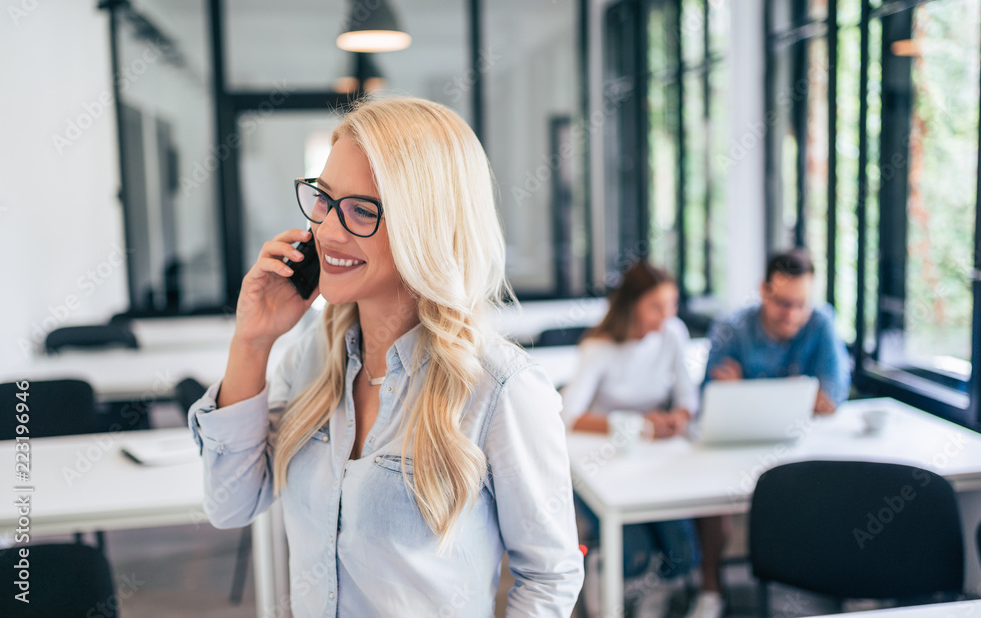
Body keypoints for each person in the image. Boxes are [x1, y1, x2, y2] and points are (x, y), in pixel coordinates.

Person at [187, 97, 584, 617]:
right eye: (324, 200)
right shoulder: (312, 357)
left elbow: (549, 577)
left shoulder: (500, 389)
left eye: (361, 210)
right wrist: (253, 342)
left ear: (427, 228)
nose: (327, 230)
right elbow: (230, 505)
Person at [685, 247, 851, 618]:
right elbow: (710, 397)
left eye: (801, 304)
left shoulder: (821, 323)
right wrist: (795, 391)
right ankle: (710, 586)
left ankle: (815, 589)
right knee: (708, 488)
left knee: (837, 486)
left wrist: (745, 387)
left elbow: (830, 397)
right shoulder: (732, 327)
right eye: (782, 303)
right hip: (734, 444)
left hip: (799, 447)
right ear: (764, 290)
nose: (792, 315)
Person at [560, 261, 700, 618]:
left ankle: (654, 598)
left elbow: (688, 397)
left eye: (672, 305)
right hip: (600, 457)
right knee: (632, 547)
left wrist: (677, 418)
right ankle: (608, 592)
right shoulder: (600, 347)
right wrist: (636, 424)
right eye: (656, 306)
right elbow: (569, 416)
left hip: (653, 455)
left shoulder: (672, 334)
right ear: (632, 304)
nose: (666, 315)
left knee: (681, 547)